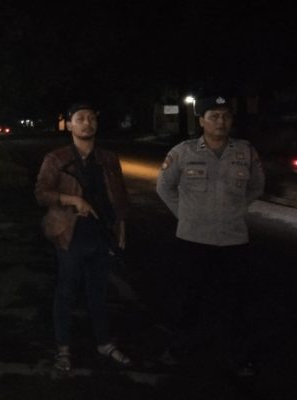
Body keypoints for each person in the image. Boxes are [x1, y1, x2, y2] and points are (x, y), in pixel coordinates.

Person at [156, 93, 265, 376]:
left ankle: (238, 356)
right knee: (187, 299)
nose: (221, 121)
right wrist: (186, 216)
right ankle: (178, 347)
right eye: (214, 116)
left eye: (226, 116)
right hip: (193, 240)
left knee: (236, 302)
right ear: (201, 120)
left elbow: (256, 186)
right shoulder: (183, 152)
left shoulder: (245, 151)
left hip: (233, 240)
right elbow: (164, 187)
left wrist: (236, 210)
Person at [35, 102, 132, 375]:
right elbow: (41, 193)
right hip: (70, 234)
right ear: (69, 124)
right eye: (80, 118)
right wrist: (72, 199)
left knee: (98, 293)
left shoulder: (108, 158)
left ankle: (104, 343)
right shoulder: (57, 158)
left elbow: (120, 195)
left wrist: (122, 224)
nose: (87, 123)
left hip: (102, 235)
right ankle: (63, 349)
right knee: (65, 292)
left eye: (91, 118)